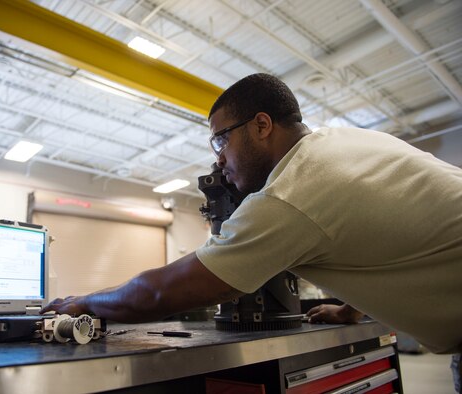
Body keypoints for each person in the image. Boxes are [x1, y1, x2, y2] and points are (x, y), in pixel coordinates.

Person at [41, 73, 462, 389]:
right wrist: (351, 309)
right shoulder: (346, 143)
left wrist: (84, 302)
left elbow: (163, 292)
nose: (219, 159)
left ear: (262, 125)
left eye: (220, 140)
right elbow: (375, 240)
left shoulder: (294, 189)